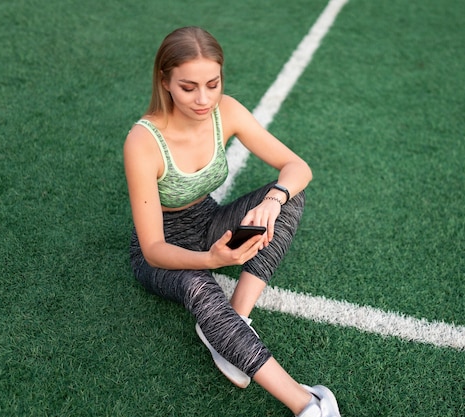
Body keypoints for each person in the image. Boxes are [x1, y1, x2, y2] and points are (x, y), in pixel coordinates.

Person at [123, 26, 341, 417]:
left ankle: (235, 321)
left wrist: (274, 200)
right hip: (160, 248)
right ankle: (308, 404)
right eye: (188, 87)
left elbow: (297, 167)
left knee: (288, 196)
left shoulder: (228, 112)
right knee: (198, 284)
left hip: (206, 219)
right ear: (165, 81)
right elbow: (154, 249)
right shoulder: (142, 141)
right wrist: (210, 260)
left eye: (213, 83)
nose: (203, 98)